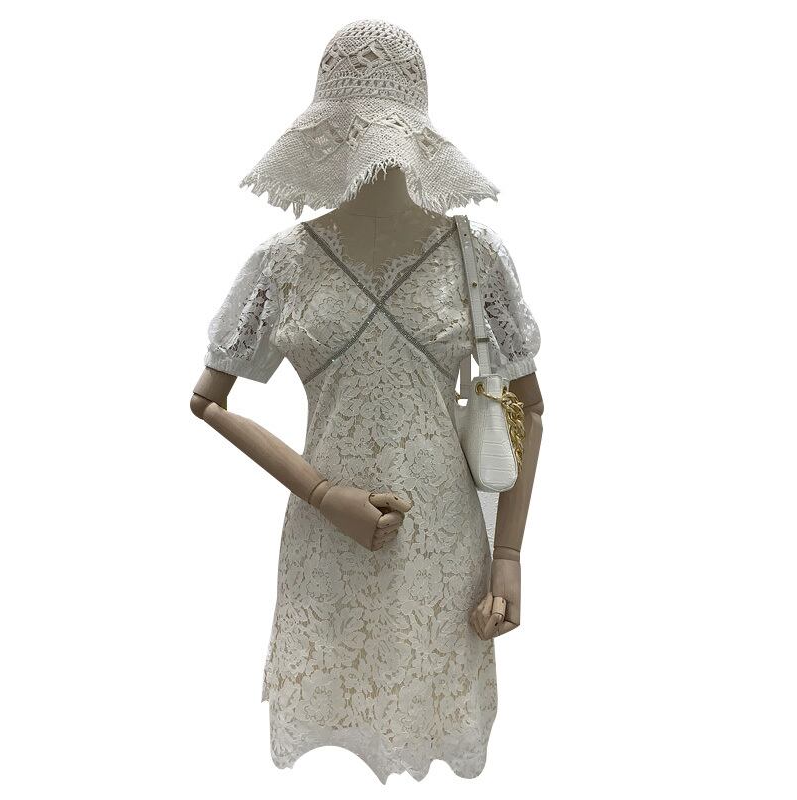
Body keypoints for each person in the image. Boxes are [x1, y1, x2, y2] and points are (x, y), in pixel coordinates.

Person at [191, 19, 544, 783]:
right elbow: (208, 399)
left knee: (430, 715)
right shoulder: (282, 263)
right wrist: (323, 494)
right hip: (327, 543)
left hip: (446, 548)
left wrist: (509, 556)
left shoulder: (475, 255)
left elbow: (529, 405)